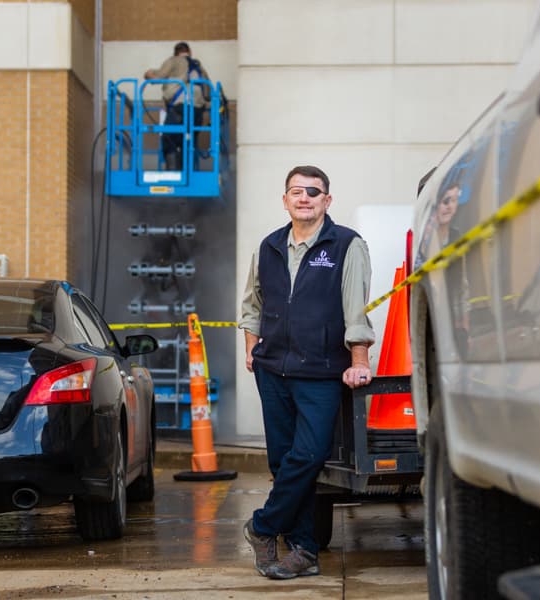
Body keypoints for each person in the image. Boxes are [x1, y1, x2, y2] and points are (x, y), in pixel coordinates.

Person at [239, 165, 375, 580]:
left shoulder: (346, 244)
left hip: (320, 371)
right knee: (283, 462)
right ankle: (302, 551)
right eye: (296, 191)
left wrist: (359, 360)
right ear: (285, 199)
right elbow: (251, 305)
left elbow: (356, 308)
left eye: (313, 192)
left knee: (309, 455)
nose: (304, 198)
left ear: (326, 201)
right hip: (272, 369)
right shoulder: (268, 246)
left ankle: (262, 526)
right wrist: (252, 351)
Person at [144, 41, 210, 171]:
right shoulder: (200, 68)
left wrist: (147, 74)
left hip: (181, 108)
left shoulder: (174, 61)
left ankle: (173, 174)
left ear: (176, 53)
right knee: (188, 141)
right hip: (198, 111)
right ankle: (187, 174)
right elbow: (208, 93)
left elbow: (157, 77)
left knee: (169, 139)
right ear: (189, 52)